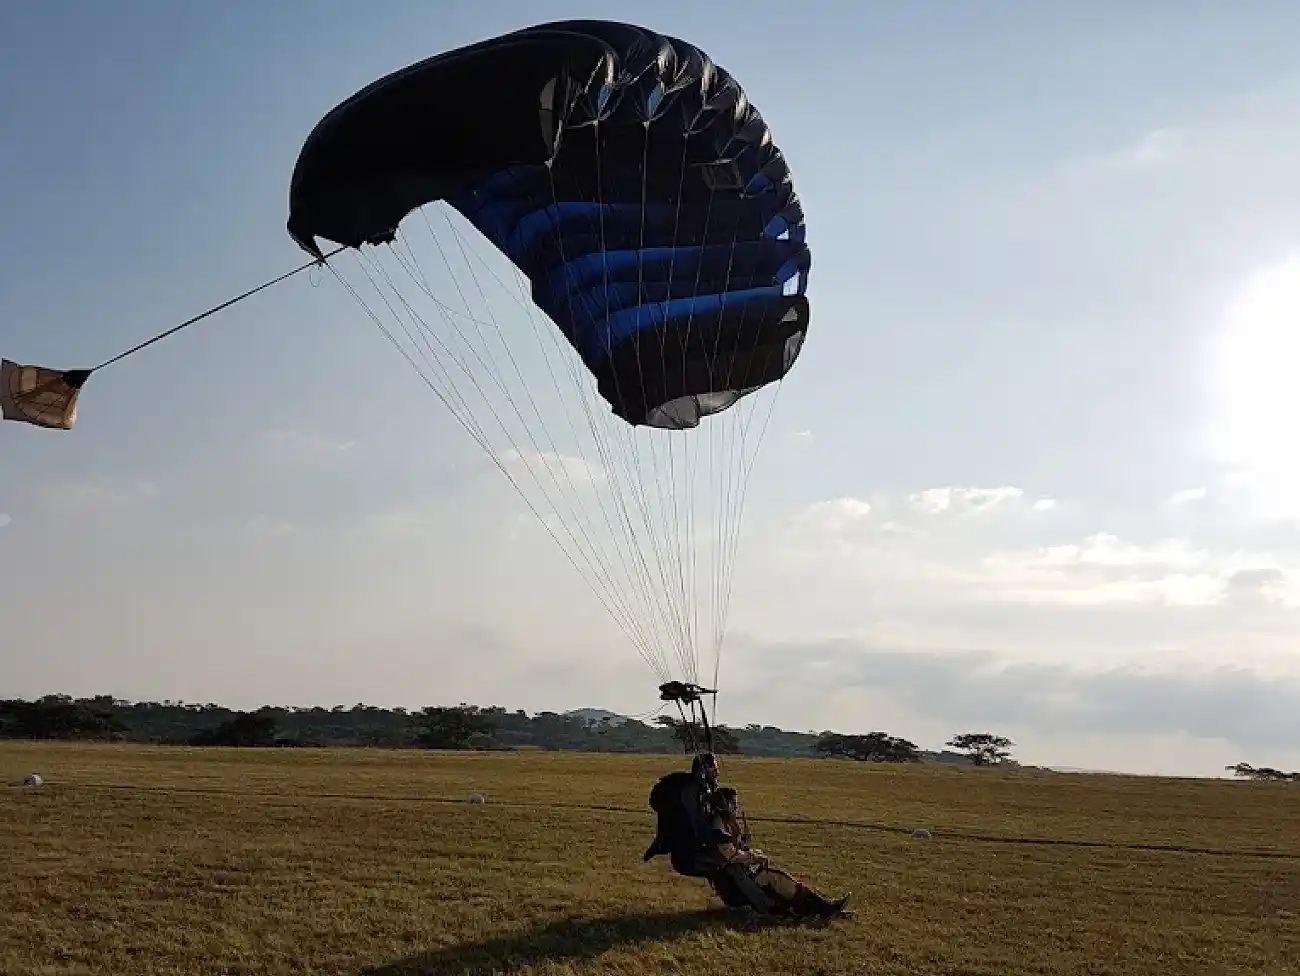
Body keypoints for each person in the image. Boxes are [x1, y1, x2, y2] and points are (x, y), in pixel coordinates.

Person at [643, 754, 850, 919]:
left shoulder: (704, 794)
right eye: (713, 768)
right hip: (692, 854)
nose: (717, 772)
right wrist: (726, 839)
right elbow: (705, 832)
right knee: (749, 873)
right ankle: (774, 910)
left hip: (707, 852)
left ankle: (819, 908)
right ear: (705, 770)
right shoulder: (692, 794)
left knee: (766, 878)